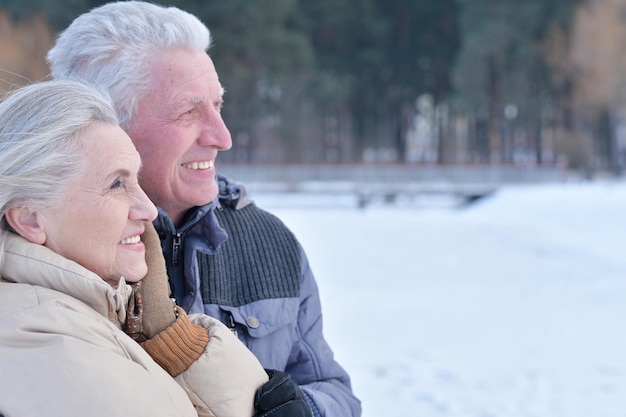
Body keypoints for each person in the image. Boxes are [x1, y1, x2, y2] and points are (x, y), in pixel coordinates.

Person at [47, 2, 361, 417]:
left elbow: (332, 388)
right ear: (103, 125)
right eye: (188, 112)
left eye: (218, 106)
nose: (222, 137)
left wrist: (308, 409)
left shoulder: (269, 243)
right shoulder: (34, 250)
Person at [0, 80, 270, 416]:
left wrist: (174, 340)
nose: (148, 210)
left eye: (136, 180)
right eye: (116, 184)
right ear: (29, 218)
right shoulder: (38, 335)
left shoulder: (93, 317)